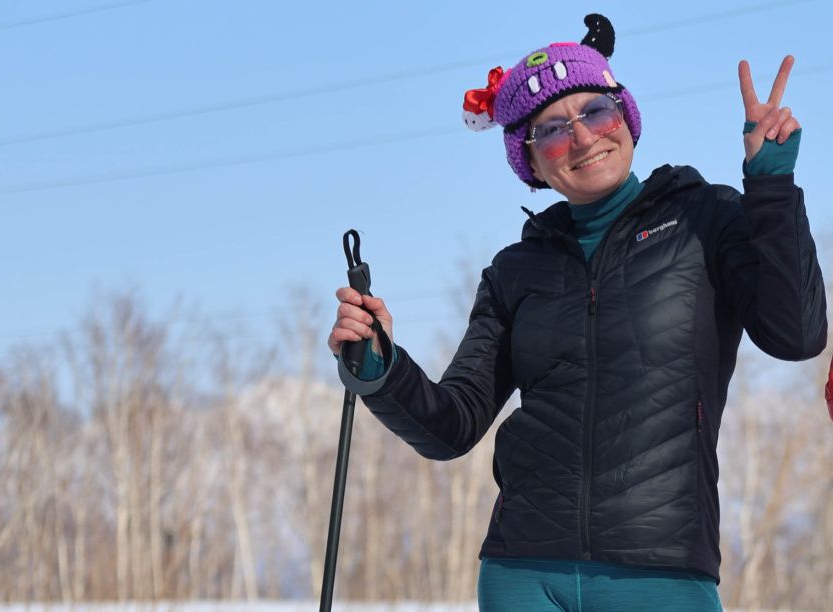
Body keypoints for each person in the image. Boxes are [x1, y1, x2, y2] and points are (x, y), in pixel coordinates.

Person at [327, 14, 827, 612]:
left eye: (597, 112)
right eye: (555, 131)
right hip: (522, 573)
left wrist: (769, 185)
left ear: (626, 119)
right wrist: (383, 370)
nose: (585, 138)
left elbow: (796, 336)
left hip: (662, 572)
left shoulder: (706, 220)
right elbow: (452, 425)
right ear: (532, 163)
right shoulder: (516, 269)